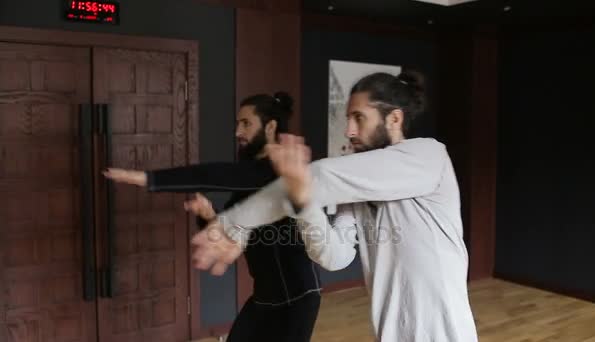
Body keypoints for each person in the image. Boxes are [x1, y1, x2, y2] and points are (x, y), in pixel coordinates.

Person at [191, 72, 479, 341]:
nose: (349, 131)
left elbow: (320, 176)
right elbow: (333, 256)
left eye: (358, 118)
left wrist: (230, 223)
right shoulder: (357, 192)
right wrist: (303, 204)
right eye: (348, 119)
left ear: (394, 119)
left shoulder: (428, 155)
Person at [103, 92, 322, 342]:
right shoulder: (250, 178)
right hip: (264, 294)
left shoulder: (276, 173)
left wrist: (149, 178)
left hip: (298, 295)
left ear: (270, 126)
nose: (237, 131)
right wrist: (208, 215)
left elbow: (215, 175)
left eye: (246, 123)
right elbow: (229, 229)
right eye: (237, 123)